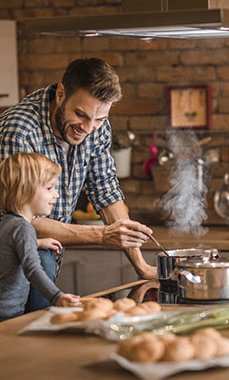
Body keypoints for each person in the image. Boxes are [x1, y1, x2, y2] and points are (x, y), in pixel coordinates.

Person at [0, 57, 156, 312]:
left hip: (46, 259)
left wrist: (141, 266)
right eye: (80, 115)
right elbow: (19, 220)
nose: (87, 128)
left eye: (98, 119)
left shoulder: (96, 126)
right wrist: (103, 236)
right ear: (61, 94)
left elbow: (106, 191)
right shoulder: (19, 131)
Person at [0, 153, 81, 322]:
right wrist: (57, 297)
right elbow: (33, 270)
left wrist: (36, 243)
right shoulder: (23, 228)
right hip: (8, 316)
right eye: (50, 188)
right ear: (26, 190)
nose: (56, 195)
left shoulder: (6, 222)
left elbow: (8, 249)